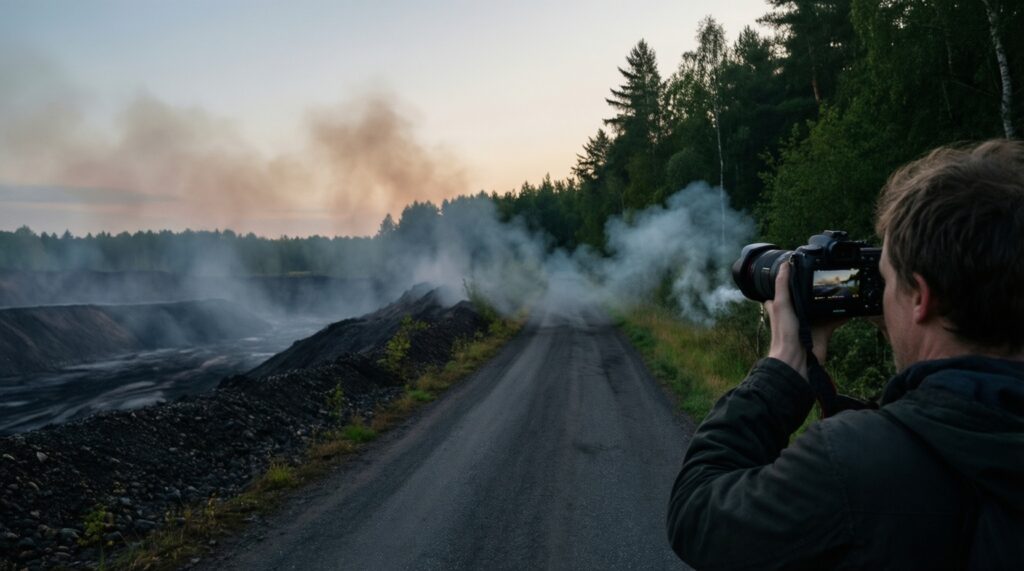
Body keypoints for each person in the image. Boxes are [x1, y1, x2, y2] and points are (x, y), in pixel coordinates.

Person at [667, 139, 1024, 570]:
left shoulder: (857, 466)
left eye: (886, 279)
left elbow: (697, 511)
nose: (878, 296)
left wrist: (779, 371)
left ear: (920, 299)